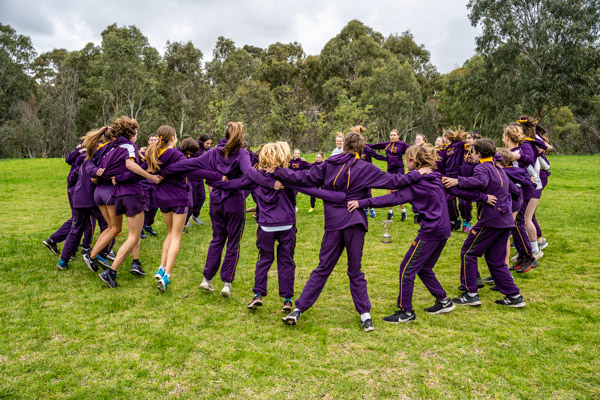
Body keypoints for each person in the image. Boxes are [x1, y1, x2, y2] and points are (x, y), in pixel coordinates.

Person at [269, 131, 432, 332]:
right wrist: (418, 173)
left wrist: (275, 171)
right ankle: (366, 316)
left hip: (333, 224)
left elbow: (302, 177)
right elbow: (394, 182)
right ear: (362, 149)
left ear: (343, 145)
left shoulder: (328, 164)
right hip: (355, 223)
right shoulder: (365, 167)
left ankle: (298, 310)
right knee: (355, 270)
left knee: (322, 268)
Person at [214, 142, 346, 311]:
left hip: (266, 227)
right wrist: (338, 196)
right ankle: (287, 299)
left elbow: (236, 184)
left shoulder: (256, 178)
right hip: (287, 226)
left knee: (264, 260)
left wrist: (218, 182)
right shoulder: (289, 176)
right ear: (285, 157)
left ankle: (258, 295)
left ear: (262, 157)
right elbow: (312, 191)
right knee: (286, 262)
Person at [158, 122, 278, 297]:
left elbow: (190, 164)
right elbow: (249, 173)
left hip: (216, 201)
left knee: (217, 239)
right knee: (233, 242)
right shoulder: (242, 154)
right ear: (240, 136)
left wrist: (164, 170)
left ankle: (207, 280)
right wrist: (269, 182)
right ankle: (227, 283)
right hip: (235, 201)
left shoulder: (214, 152)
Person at [347, 145, 457, 323]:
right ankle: (444, 301)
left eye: (407, 159)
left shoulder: (418, 183)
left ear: (413, 161)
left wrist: (362, 203)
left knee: (407, 269)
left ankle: (406, 311)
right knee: (425, 268)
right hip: (443, 229)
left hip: (431, 231)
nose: (405, 162)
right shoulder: (435, 176)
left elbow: (393, 198)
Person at [442, 138, 526, 308]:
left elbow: (480, 182)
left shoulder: (482, 167)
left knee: (468, 252)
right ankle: (514, 296)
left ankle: (471, 293)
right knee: (495, 259)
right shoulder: (498, 166)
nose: (470, 154)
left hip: (491, 219)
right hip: (505, 220)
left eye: (471, 151)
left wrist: (458, 181)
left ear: (479, 153)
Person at [82, 117, 162, 287]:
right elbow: (130, 166)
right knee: (133, 236)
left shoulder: (110, 147)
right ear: (132, 133)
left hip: (114, 193)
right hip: (130, 193)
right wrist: (151, 177)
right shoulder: (128, 146)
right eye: (137, 132)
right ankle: (111, 272)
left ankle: (96, 256)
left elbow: (107, 170)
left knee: (116, 228)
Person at [145, 128, 221, 292]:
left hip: (162, 198)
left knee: (170, 232)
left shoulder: (153, 154)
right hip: (178, 198)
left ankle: (161, 267)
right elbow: (193, 170)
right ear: (172, 138)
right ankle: (167, 275)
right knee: (176, 236)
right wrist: (217, 175)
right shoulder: (176, 155)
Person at [502, 124, 539, 272]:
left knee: (518, 222)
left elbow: (529, 162)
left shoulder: (518, 152)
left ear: (506, 137)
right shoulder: (508, 152)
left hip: (522, 191)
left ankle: (529, 257)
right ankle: (523, 257)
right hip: (516, 191)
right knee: (515, 224)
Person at [369, 129, 410, 221]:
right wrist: (363, 145)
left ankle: (403, 211)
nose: (392, 137)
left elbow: (411, 150)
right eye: (391, 135)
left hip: (399, 169)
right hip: (390, 169)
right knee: (389, 191)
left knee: (396, 191)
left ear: (398, 136)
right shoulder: (386, 144)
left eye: (394, 135)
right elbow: (374, 146)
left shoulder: (402, 144)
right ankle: (390, 213)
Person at [443, 127, 467, 231]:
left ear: (446, 136)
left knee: (461, 201)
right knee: (448, 199)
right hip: (448, 174)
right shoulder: (447, 148)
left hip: (457, 175)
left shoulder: (458, 145)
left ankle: (466, 220)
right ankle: (454, 218)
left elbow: (467, 143)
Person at [458, 131, 481, 233]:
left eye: (469, 138)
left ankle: (468, 220)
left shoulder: (477, 151)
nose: (466, 140)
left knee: (467, 202)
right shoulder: (464, 150)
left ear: (475, 140)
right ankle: (464, 219)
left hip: (471, 180)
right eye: (466, 138)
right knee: (461, 203)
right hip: (462, 178)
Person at [189, 134, 213, 226]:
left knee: (202, 197)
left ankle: (195, 216)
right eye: (207, 143)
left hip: (200, 177)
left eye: (210, 143)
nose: (208, 145)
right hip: (192, 177)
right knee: (193, 199)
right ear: (202, 142)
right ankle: (187, 218)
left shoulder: (208, 150)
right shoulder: (195, 148)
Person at [140, 134, 159, 238]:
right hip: (145, 183)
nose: (153, 141)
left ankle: (148, 225)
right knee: (146, 206)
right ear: (148, 141)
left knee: (155, 206)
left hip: (156, 183)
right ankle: (141, 228)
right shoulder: (143, 152)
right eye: (151, 139)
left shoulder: (160, 152)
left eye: (155, 139)